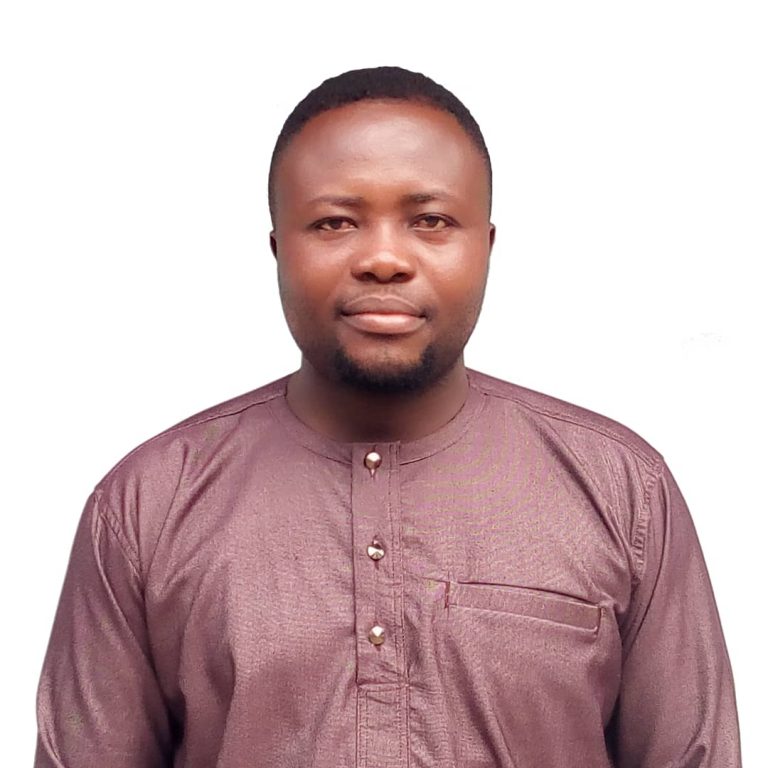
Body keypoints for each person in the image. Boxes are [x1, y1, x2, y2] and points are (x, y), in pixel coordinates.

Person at [34, 66, 741, 767]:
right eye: (335, 222)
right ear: (278, 248)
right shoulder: (147, 506)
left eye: (430, 221)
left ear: (486, 246)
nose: (382, 259)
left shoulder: (623, 492)